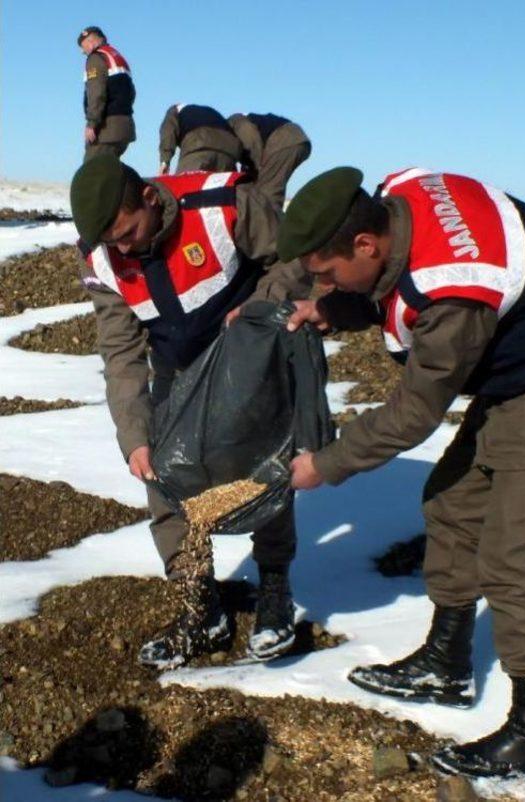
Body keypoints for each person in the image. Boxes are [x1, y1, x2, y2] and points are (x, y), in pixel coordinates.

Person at [278, 166, 525, 780]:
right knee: (452, 503)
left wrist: (325, 465)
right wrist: (335, 308)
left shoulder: (454, 292)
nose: (323, 282)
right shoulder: (401, 197)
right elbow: (393, 281)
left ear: (365, 243)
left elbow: (414, 412)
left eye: (329, 273)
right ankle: (446, 663)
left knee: (513, 558)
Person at [69, 156, 311, 668]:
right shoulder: (102, 255)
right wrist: (134, 436)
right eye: (112, 241)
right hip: (176, 368)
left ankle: (274, 589)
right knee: (161, 470)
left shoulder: (224, 207)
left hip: (247, 358)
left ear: (152, 199)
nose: (124, 248)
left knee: (264, 469)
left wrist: (260, 307)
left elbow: (296, 256)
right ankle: (199, 605)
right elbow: (120, 350)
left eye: (129, 232)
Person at [228, 113, 311, 209]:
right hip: (291, 138)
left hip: (284, 139)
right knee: (264, 188)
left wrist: (254, 169)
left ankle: (269, 222)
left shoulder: (234, 123)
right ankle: (271, 219)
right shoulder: (230, 130)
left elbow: (252, 142)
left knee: (266, 193)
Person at [78, 26, 136, 162]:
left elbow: (96, 93)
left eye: (83, 47)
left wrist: (92, 123)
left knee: (91, 172)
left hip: (106, 129)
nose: (82, 52)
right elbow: (132, 93)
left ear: (91, 43)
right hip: (125, 127)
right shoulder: (117, 57)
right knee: (110, 172)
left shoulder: (96, 58)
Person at [158, 103, 242, 175]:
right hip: (230, 149)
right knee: (224, 190)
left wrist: (164, 162)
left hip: (199, 144)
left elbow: (168, 133)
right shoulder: (210, 111)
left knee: (187, 189)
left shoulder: (174, 110)